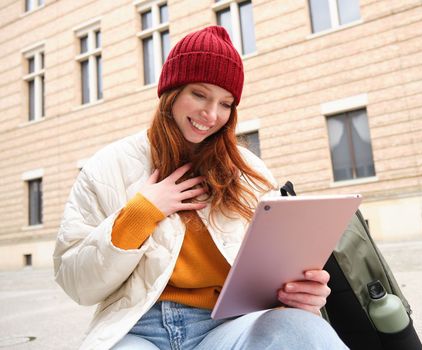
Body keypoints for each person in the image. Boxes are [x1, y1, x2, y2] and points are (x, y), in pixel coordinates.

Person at [53, 26, 348, 350]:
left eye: (225, 103)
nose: (211, 114)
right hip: (137, 329)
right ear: (172, 91)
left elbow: (278, 272)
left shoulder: (251, 174)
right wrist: (139, 215)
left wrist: (302, 294)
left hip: (227, 327)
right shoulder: (107, 168)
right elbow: (76, 283)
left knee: (303, 329)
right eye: (199, 94)